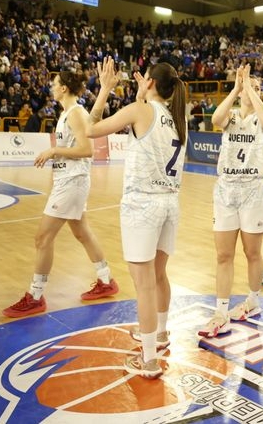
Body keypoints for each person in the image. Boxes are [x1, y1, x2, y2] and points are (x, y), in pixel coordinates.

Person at [86, 58, 187, 379]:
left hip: (143, 204)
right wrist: (143, 97)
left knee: (143, 285)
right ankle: (160, 333)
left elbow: (90, 129)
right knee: (159, 276)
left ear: (151, 83)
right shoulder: (177, 116)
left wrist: (104, 89)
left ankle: (149, 361)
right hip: (170, 204)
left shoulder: (139, 109)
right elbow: (148, 122)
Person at [3, 71, 118, 319]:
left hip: (73, 182)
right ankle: (106, 279)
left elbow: (88, 150)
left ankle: (35, 296)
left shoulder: (76, 113)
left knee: (42, 238)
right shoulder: (67, 113)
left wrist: (55, 150)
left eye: (54, 84)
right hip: (68, 181)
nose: (51, 88)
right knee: (82, 232)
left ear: (64, 88)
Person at [199, 66, 263, 338]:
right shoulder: (230, 117)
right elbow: (216, 118)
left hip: (253, 189)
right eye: (243, 85)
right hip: (226, 189)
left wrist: (251, 89)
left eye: (251, 86)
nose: (245, 88)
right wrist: (235, 89)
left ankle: (252, 301)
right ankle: (220, 313)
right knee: (223, 254)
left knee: (252, 252)